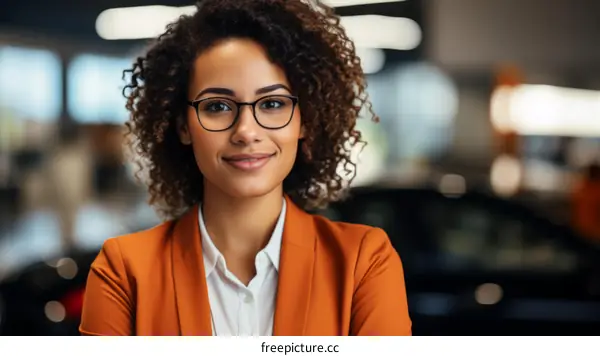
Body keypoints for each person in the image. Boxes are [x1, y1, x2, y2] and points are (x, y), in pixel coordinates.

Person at [80, 0, 411, 336]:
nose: (246, 131)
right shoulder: (123, 271)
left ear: (305, 121)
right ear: (182, 125)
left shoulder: (362, 262)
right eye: (218, 106)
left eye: (272, 104)